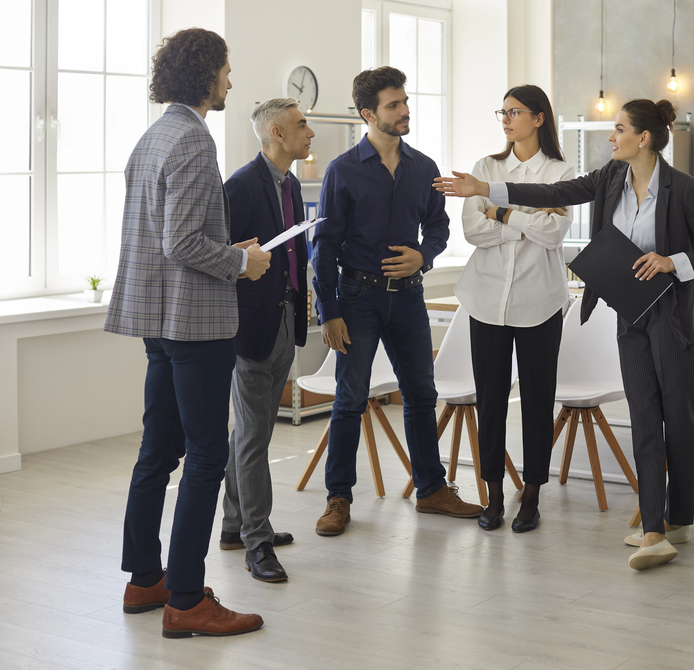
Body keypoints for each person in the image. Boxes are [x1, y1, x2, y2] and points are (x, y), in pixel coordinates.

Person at [435, 99, 694, 569]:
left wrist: (671, 262)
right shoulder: (609, 179)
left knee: (678, 419)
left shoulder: (684, 189)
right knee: (643, 418)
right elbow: (555, 191)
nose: (611, 138)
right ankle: (653, 526)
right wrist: (483, 187)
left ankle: (677, 518)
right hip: (629, 314)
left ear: (644, 139)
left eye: (619, 130)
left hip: (673, 317)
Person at [105, 28, 269, 637]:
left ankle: (145, 579)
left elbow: (164, 238)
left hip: (159, 323)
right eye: (226, 69)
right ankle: (185, 598)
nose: (231, 79)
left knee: (157, 451)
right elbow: (180, 242)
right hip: (195, 324)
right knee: (205, 457)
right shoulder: (195, 140)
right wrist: (242, 262)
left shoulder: (153, 138)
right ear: (206, 73)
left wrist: (230, 250)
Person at [311, 66, 482, 536]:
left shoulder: (423, 168)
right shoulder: (342, 171)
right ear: (368, 114)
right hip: (358, 297)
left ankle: (431, 489)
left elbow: (440, 228)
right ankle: (338, 498)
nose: (405, 110)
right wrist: (331, 312)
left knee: (421, 395)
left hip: (409, 299)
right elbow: (323, 246)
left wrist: (422, 256)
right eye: (393, 105)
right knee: (349, 400)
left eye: (405, 102)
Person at [455, 85, 575, 533]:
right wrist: (525, 220)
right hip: (485, 299)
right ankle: (492, 495)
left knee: (538, 402)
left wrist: (502, 214)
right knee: (490, 402)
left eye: (515, 111)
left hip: (540, 301)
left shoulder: (561, 170)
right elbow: (471, 229)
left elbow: (553, 235)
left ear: (539, 117)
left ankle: (532, 496)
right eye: (501, 111)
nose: (505, 119)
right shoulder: (485, 167)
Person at [219, 98, 315, 582]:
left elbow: (294, 250)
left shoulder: (292, 183)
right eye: (302, 125)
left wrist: (305, 293)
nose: (310, 133)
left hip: (287, 319)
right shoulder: (239, 186)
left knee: (250, 431)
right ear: (276, 133)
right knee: (255, 435)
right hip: (252, 328)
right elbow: (221, 260)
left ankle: (236, 525)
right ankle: (257, 542)